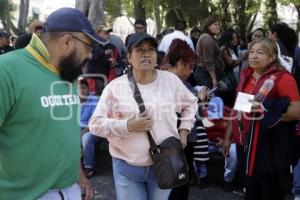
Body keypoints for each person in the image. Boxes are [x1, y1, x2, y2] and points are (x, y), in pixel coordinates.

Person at [0, 7, 108, 199]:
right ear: (66, 41)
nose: (90, 55)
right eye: (88, 47)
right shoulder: (6, 70)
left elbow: (67, 130)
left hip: (71, 189)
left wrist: (79, 174)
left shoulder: (69, 73)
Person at [89, 32, 198, 200]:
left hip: (165, 163)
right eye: (139, 50)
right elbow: (95, 124)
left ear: (157, 55)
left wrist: (184, 130)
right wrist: (128, 126)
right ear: (129, 56)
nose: (146, 54)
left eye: (151, 50)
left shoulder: (171, 81)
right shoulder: (115, 87)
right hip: (127, 167)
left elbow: (191, 103)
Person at [223, 38, 300, 200]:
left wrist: (265, 111)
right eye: (251, 52)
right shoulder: (247, 76)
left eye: (260, 52)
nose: (253, 56)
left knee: (271, 191)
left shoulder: (282, 78)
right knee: (251, 190)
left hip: (269, 148)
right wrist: (228, 137)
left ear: (272, 57)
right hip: (245, 145)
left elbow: (297, 111)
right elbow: (238, 109)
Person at [160, 39, 207, 199]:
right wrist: (198, 100)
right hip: (178, 140)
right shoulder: (174, 82)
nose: (192, 72)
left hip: (173, 140)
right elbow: (182, 109)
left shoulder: (162, 79)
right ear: (180, 63)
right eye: (190, 67)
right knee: (178, 186)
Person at [194, 16, 224, 89]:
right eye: (215, 24)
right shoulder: (206, 38)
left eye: (218, 24)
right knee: (212, 98)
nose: (218, 26)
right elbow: (208, 61)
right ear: (208, 26)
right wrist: (214, 79)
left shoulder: (210, 37)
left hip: (206, 74)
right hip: (205, 74)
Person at [79, 79, 100, 179]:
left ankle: (89, 166)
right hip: (77, 128)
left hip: (93, 128)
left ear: (88, 89)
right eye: (78, 89)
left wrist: (81, 133)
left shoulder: (95, 100)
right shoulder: (71, 100)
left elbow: (94, 122)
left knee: (86, 139)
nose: (81, 91)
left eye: (83, 88)